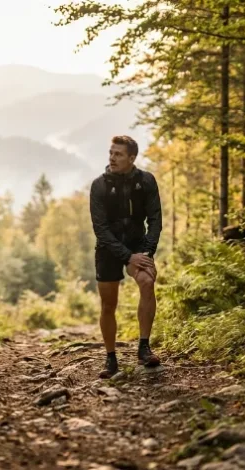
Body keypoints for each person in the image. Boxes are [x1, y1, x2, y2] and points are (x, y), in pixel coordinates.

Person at [89, 135, 162, 378]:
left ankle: (144, 347)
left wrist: (146, 252)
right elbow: (100, 229)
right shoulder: (99, 185)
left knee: (148, 281)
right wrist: (127, 257)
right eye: (111, 153)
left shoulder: (146, 181)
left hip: (138, 243)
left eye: (118, 154)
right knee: (109, 304)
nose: (112, 157)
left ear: (132, 158)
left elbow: (155, 221)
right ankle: (110, 359)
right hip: (108, 248)